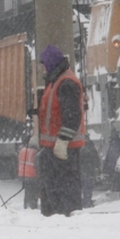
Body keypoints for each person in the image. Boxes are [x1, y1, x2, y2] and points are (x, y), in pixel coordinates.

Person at [37, 45, 86, 217]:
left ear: (50, 63)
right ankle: (58, 218)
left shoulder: (65, 83)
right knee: (56, 189)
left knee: (62, 189)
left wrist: (63, 141)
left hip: (63, 148)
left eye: (43, 64)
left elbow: (72, 115)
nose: (42, 68)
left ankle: (65, 218)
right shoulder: (57, 81)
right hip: (55, 146)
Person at [79, 134, 101, 208]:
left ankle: (84, 201)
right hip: (88, 171)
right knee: (88, 186)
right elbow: (96, 159)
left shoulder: (81, 148)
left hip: (83, 171)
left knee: (84, 186)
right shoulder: (91, 148)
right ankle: (87, 201)